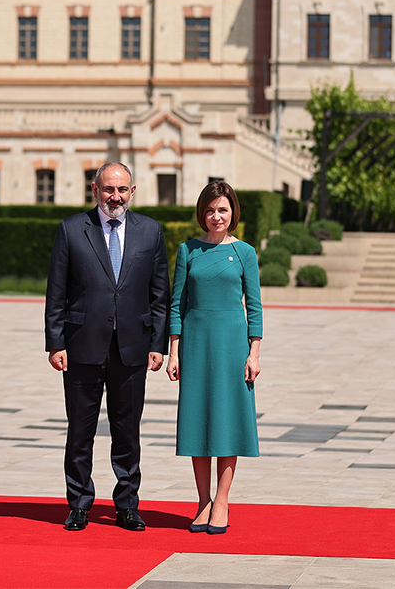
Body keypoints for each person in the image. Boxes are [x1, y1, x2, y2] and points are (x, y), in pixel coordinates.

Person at [45, 162, 170, 532]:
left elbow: (159, 294)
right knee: (80, 432)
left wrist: (158, 343)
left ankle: (127, 505)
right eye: (108, 189)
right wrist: (55, 342)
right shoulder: (71, 230)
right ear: (95, 190)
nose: (115, 197)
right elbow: (57, 292)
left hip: (132, 347)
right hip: (81, 346)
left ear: (133, 192)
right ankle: (79, 504)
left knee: (127, 432)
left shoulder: (150, 231)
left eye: (122, 190)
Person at [166, 180, 262, 535]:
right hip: (195, 343)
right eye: (210, 210)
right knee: (198, 420)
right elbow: (176, 304)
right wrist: (174, 351)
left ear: (232, 212)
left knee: (227, 420)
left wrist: (254, 352)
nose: (216, 216)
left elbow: (254, 306)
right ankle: (202, 501)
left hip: (233, 344)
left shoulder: (245, 253)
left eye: (222, 209)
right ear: (201, 214)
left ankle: (222, 501)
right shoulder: (188, 251)